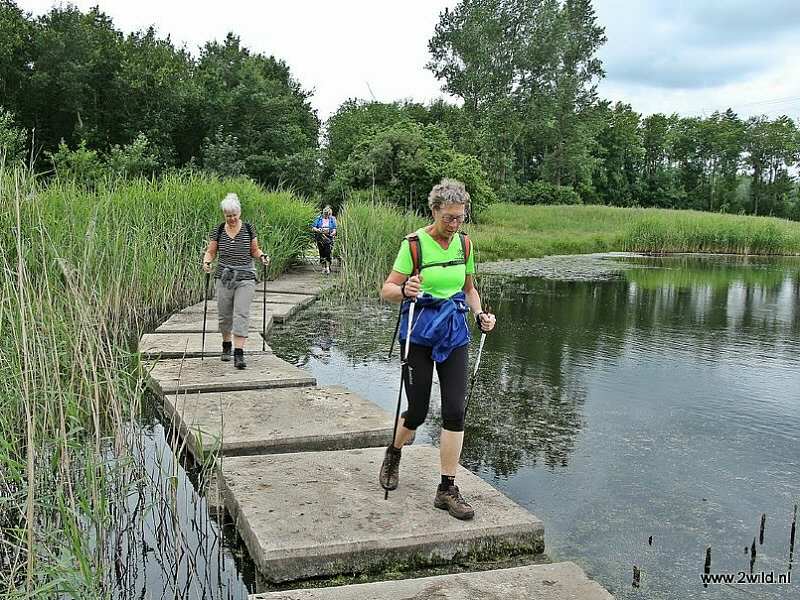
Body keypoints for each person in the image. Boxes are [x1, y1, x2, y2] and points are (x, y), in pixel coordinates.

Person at [378, 178, 496, 520]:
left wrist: (480, 314)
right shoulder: (414, 245)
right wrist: (406, 290)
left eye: (460, 217)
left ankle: (446, 489)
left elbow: (469, 289)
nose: (455, 224)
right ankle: (394, 452)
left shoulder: (465, 245)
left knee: (455, 411)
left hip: (454, 333)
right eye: (449, 218)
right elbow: (387, 289)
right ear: (435, 211)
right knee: (416, 412)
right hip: (418, 334)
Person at [202, 193, 269, 369]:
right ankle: (226, 345)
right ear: (224, 215)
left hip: (246, 276)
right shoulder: (217, 230)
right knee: (225, 316)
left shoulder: (248, 228)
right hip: (224, 277)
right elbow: (211, 252)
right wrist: (206, 260)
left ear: (239, 213)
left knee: (241, 313)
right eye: (228, 216)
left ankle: (239, 354)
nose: (232, 219)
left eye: (234, 215)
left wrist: (261, 256)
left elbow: (254, 250)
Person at [311, 206, 337, 274]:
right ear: (323, 213)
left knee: (328, 252)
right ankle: (323, 268)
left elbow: (334, 229)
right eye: (325, 214)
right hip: (320, 237)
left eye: (328, 215)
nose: (326, 216)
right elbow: (313, 227)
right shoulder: (318, 218)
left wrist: (333, 233)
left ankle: (328, 268)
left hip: (329, 238)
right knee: (321, 252)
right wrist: (318, 230)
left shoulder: (332, 219)